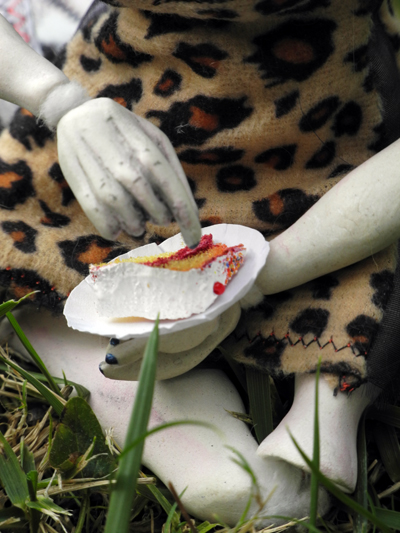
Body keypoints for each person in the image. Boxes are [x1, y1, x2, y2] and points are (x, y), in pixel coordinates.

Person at [0, 0, 400, 524]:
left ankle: (326, 406)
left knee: (367, 274)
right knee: (33, 253)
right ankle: (101, 361)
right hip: (112, 132)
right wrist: (56, 99)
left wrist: (258, 276)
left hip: (327, 161)